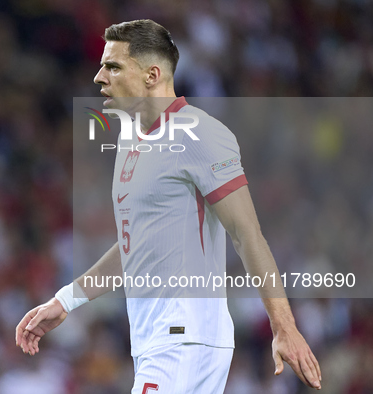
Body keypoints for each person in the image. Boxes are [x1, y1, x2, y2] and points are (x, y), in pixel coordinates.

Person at [16, 19, 322, 393]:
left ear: (152, 75)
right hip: (155, 341)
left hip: (184, 338)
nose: (99, 77)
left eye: (112, 66)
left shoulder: (199, 133)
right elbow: (137, 243)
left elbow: (246, 233)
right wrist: (67, 300)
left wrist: (284, 326)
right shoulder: (129, 142)